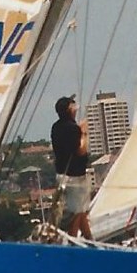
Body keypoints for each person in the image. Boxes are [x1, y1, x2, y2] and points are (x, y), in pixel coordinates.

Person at [51, 95, 92, 240]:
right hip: (75, 177)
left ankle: (88, 238)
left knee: (79, 210)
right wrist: (84, 132)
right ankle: (73, 239)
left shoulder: (55, 127)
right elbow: (81, 151)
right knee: (77, 212)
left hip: (61, 174)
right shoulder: (72, 128)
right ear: (69, 109)